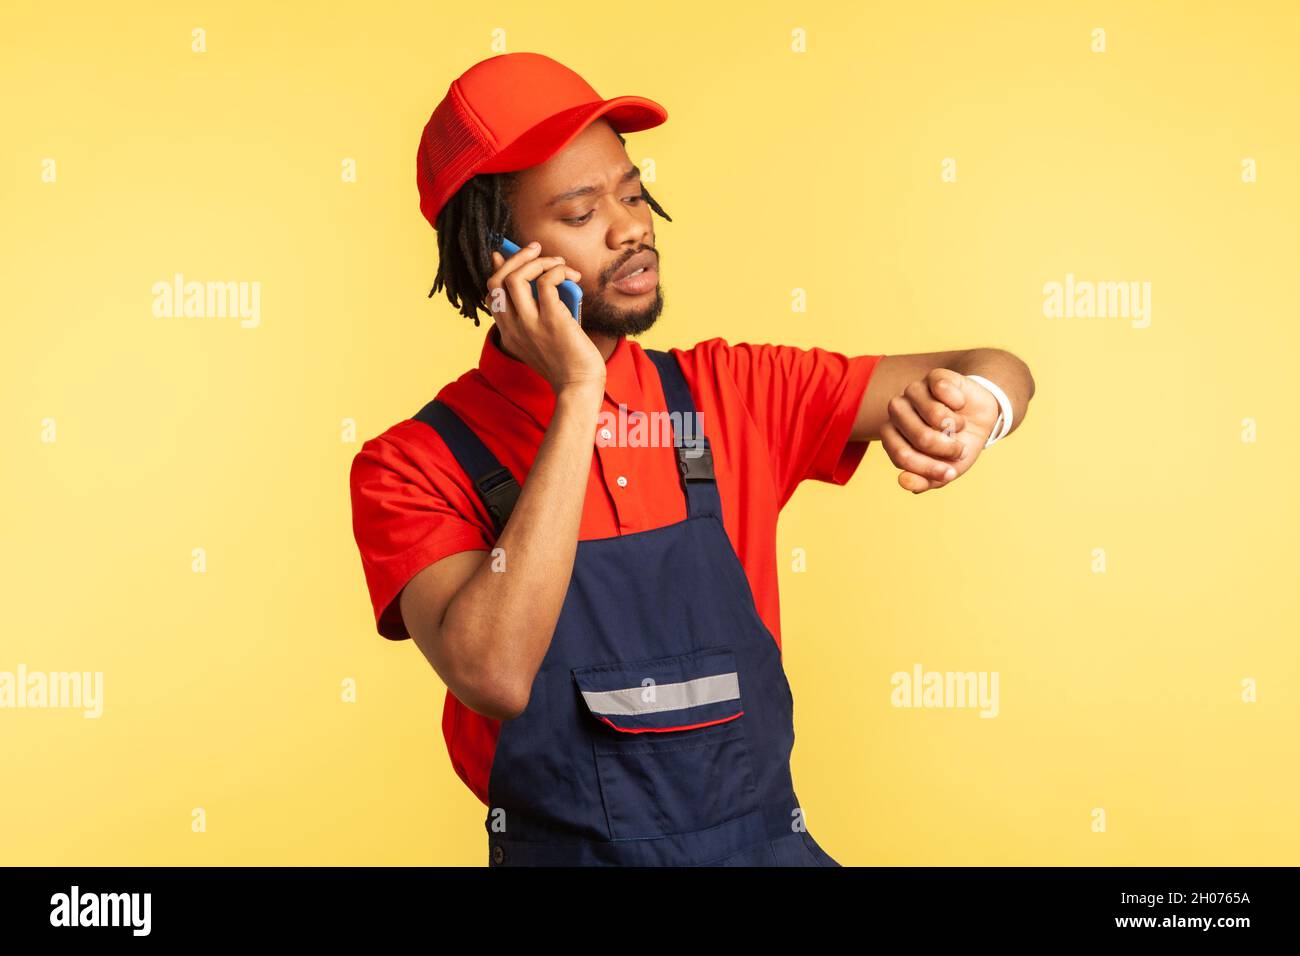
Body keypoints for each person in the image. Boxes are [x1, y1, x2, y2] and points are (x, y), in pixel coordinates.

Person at [349, 51, 1035, 866]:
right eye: (579, 213)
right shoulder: (413, 464)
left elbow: (995, 366)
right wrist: (579, 395)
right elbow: (492, 675)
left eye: (632, 193)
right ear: (495, 258)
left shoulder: (732, 392)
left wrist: (976, 413)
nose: (631, 227)